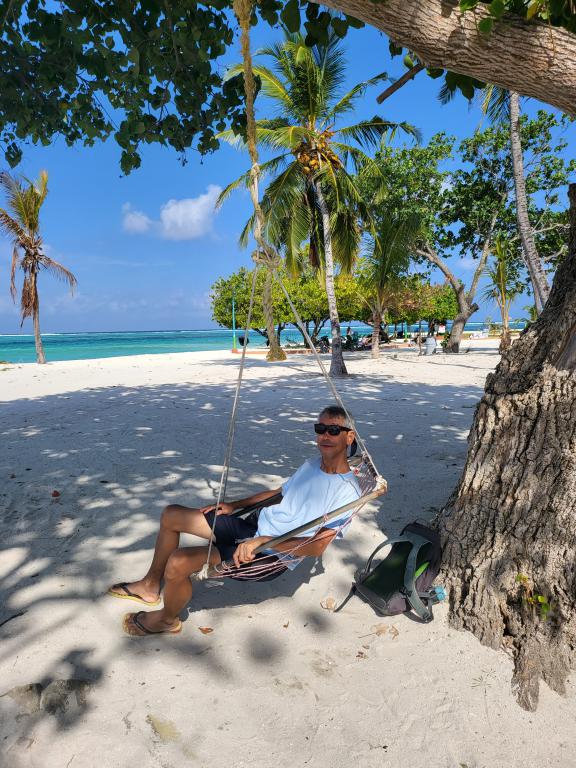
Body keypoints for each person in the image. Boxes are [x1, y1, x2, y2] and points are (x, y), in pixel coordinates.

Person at [109, 405, 361, 636]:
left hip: (270, 554)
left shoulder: (348, 491)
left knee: (178, 563)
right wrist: (235, 505)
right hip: (254, 526)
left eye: (333, 430)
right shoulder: (312, 464)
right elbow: (278, 493)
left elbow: (317, 546)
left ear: (349, 437)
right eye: (320, 429)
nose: (325, 436)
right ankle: (150, 585)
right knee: (171, 514)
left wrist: (265, 541)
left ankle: (166, 619)